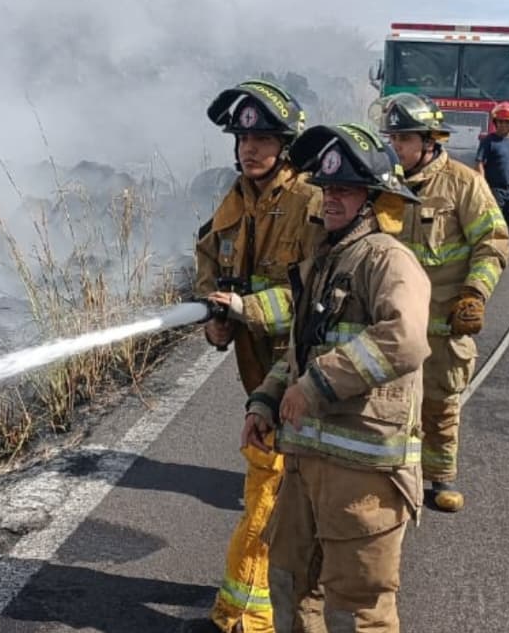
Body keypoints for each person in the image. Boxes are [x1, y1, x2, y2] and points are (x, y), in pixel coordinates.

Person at [244, 122, 430, 632]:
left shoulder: (388, 260)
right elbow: (301, 353)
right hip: (306, 463)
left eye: (345, 189)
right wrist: (264, 401)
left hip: (363, 477)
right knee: (288, 583)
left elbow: (407, 338)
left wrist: (318, 385)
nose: (331, 199)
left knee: (356, 610)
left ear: (373, 201)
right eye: (327, 189)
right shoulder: (324, 261)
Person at [195, 79, 323, 633]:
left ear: (285, 146)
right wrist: (217, 315)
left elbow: (316, 298)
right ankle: (278, 597)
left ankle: (246, 613)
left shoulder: (311, 204)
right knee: (280, 491)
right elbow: (209, 256)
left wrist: (247, 306)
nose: (251, 148)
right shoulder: (235, 199)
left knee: (271, 494)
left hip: (301, 372)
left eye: (265, 138)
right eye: (244, 139)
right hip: (258, 375)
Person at [377, 93, 509, 513]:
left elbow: (492, 242)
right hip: (392, 321)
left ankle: (441, 477)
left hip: (442, 322)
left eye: (403, 138)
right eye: (392, 138)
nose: (395, 146)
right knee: (385, 401)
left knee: (441, 403)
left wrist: (474, 294)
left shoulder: (463, 183)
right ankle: (390, 470)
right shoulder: (384, 185)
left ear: (429, 141)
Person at [476, 102, 509, 233]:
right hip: (495, 190)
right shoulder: (488, 141)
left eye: (507, 122)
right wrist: (483, 186)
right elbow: (480, 162)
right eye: (501, 122)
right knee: (494, 224)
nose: (504, 125)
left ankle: (505, 248)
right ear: (496, 123)